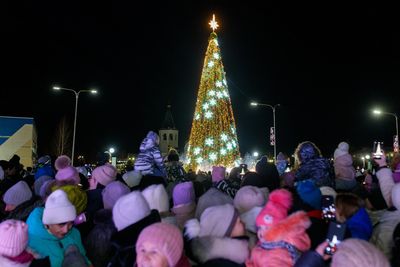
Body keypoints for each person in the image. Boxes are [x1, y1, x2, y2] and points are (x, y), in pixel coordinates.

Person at [26, 190, 90, 267]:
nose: (66, 230)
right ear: (48, 223)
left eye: (70, 223)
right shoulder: (30, 242)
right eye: (61, 224)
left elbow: (84, 257)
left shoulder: (75, 233)